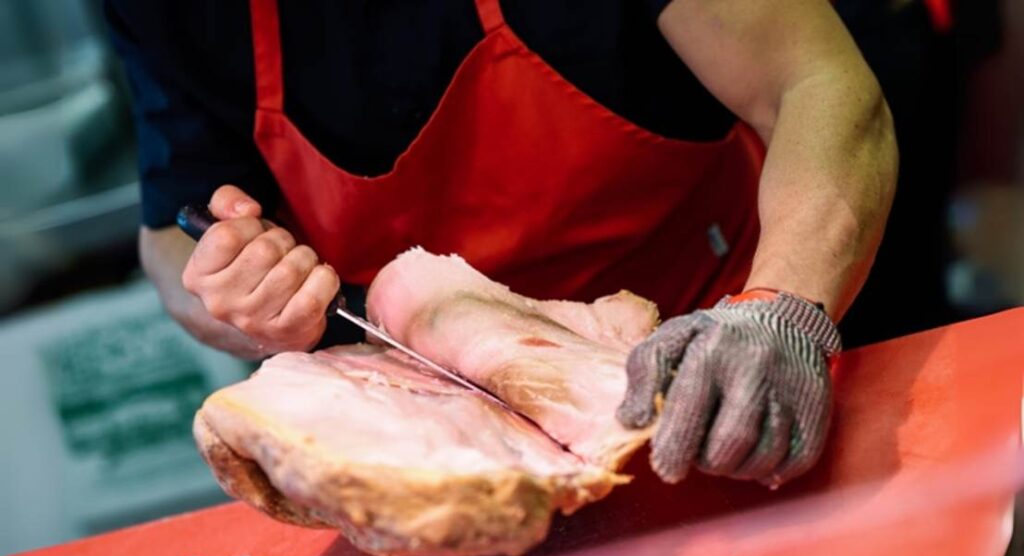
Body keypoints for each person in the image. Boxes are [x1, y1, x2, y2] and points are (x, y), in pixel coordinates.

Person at [105, 0, 897, 488]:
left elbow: (816, 84)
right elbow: (167, 243)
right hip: (455, 438)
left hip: (735, 359)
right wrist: (237, 291)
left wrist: (777, 311)